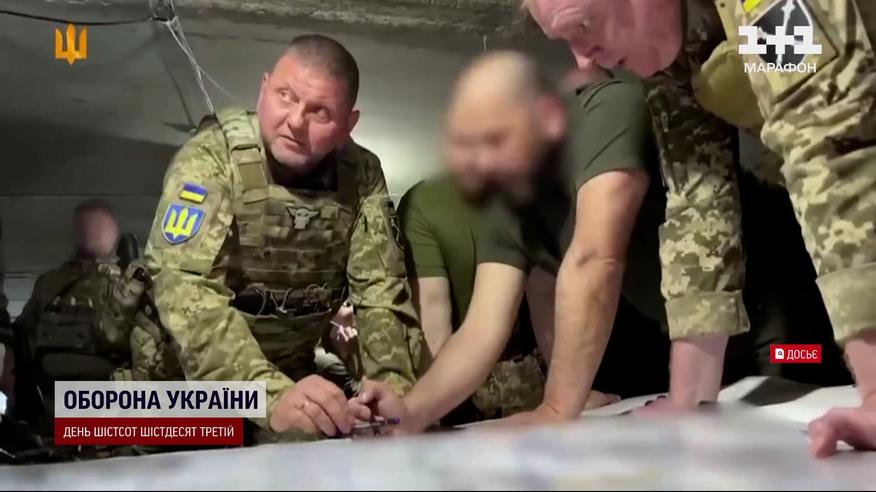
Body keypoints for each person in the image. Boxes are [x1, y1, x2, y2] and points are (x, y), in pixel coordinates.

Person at [521, 0, 876, 458]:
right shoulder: (670, 63)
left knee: (800, 355)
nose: (584, 60)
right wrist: (689, 399)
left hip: (789, 312)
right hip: (774, 321)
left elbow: (827, 141)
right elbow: (698, 197)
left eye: (585, 24)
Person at [350, 51, 673, 433]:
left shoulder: (606, 110)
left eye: (496, 139)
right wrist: (410, 413)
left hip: (726, 315)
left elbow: (595, 259)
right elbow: (481, 330)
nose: (483, 163)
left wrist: (556, 408)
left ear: (548, 117)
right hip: (665, 335)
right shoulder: (508, 201)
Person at [129, 34, 421, 443]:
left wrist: (391, 388)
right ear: (263, 90)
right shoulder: (212, 156)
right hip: (179, 386)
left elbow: (380, 290)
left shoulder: (362, 175)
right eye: (286, 96)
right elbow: (184, 285)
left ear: (347, 126)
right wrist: (266, 395)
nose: (296, 121)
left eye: (320, 111)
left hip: (289, 376)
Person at [399, 176, 556, 424]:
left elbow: (433, 325)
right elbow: (547, 298)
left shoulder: (424, 202)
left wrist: (424, 412)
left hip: (461, 389)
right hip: (526, 381)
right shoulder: (531, 194)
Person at [11, 201, 131, 441]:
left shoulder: (49, 285)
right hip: (96, 422)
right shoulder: (127, 286)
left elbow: (21, 342)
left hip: (66, 421)